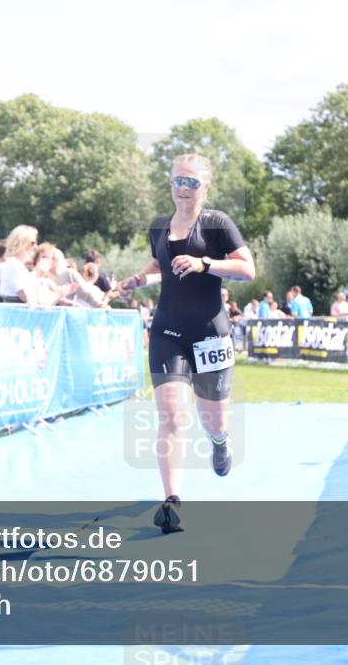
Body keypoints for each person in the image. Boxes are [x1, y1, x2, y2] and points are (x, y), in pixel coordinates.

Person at [119, 153, 255, 534]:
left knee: (213, 417)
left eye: (192, 182)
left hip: (211, 333)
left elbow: (248, 268)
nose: (183, 188)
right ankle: (172, 501)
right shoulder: (159, 227)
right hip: (168, 331)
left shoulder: (216, 225)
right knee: (172, 416)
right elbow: (159, 267)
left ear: (205, 187)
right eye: (178, 180)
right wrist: (137, 281)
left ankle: (219, 440)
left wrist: (205, 264)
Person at [0, 225, 38, 304]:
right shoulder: (13, 264)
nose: (35, 247)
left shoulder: (18, 265)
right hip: (15, 311)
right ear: (21, 243)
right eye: (32, 243)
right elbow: (25, 296)